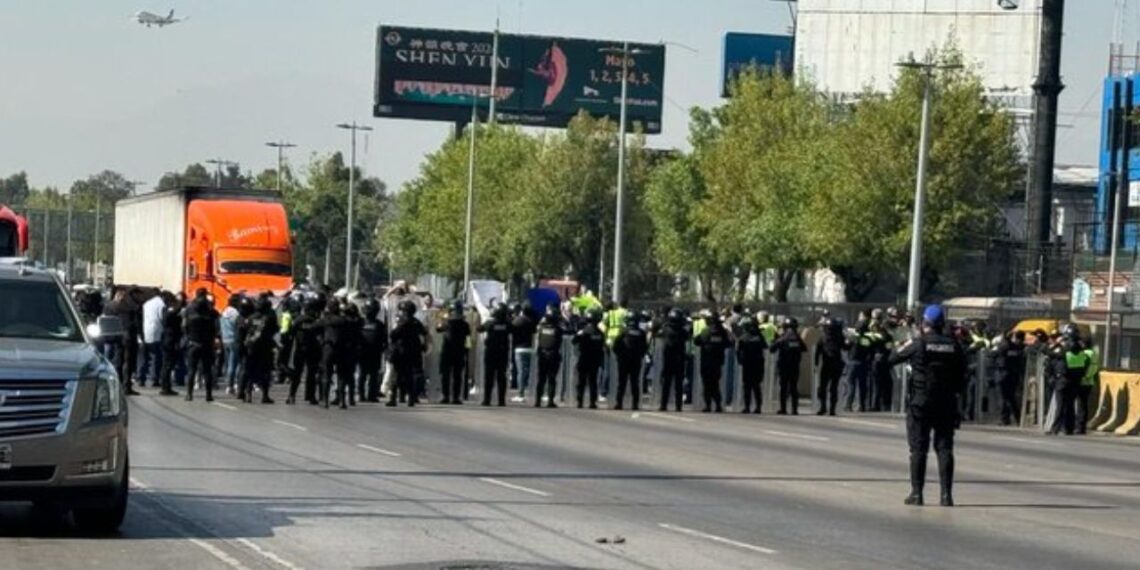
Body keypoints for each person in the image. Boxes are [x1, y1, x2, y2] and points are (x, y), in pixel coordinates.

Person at [889, 305, 967, 507]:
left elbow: (892, 358)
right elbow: (962, 376)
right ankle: (946, 495)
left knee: (918, 449)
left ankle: (917, 493)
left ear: (925, 324)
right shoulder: (955, 345)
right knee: (945, 448)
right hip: (947, 402)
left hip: (921, 402)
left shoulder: (919, 343)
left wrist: (903, 343)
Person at [1049, 325, 1088, 436]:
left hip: (1063, 380)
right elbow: (1082, 366)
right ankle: (1069, 428)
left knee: (1060, 405)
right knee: (1070, 405)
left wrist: (1056, 343)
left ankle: (1055, 428)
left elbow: (1049, 352)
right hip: (1075, 381)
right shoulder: (1081, 349)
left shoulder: (1064, 348)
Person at [388, 300, 428, 408]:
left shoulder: (403, 322)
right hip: (413, 352)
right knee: (410, 376)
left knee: (396, 375)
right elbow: (424, 332)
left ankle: (393, 398)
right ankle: (411, 398)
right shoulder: (416, 322)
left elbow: (393, 335)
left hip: (401, 352)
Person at [182, 289, 219, 402]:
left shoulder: (189, 309)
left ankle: (189, 394)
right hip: (207, 343)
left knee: (191, 370)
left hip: (193, 342)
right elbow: (216, 327)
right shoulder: (211, 310)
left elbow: (184, 326)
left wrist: (188, 336)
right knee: (207, 370)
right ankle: (208, 395)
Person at [240, 295, 278, 404]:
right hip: (265, 347)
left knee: (250, 371)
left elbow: (245, 329)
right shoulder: (270, 317)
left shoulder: (251, 317)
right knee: (266, 372)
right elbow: (275, 329)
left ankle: (248, 394)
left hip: (252, 347)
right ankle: (265, 395)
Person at [287, 298, 324, 405]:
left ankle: (292, 396)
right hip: (311, 349)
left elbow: (290, 334)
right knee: (310, 374)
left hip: (302, 349)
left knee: (298, 374)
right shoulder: (316, 321)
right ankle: (309, 396)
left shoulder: (299, 320)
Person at [693, 313, 731, 413]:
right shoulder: (722, 333)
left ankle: (708, 405)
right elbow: (728, 343)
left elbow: (696, 341)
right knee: (715, 384)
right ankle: (718, 404)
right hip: (717, 363)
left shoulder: (705, 332)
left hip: (706, 362)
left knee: (707, 385)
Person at [612, 312, 649, 411]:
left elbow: (615, 346)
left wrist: (619, 355)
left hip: (623, 360)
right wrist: (639, 355)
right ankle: (635, 404)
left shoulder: (623, 331)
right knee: (635, 383)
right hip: (635, 361)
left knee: (622, 382)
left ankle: (619, 403)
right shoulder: (641, 333)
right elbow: (645, 347)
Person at [478, 303, 513, 407]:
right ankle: (501, 401)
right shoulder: (507, 324)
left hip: (491, 353)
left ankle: (487, 400)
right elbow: (514, 329)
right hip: (503, 353)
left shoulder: (490, 323)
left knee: (489, 377)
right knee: (501, 377)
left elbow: (479, 328)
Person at [437, 300, 471, 405]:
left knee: (445, 375)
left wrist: (441, 319)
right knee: (457, 376)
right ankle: (456, 397)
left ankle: (446, 396)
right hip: (459, 352)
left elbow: (438, 329)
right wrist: (467, 351)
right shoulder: (465, 324)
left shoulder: (447, 322)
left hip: (447, 351)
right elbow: (468, 339)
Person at [770, 317, 806, 415]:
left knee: (784, 388)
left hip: (784, 366)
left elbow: (772, 348)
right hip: (794, 367)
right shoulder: (797, 338)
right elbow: (804, 348)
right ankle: (794, 410)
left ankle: (783, 409)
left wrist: (775, 339)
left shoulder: (784, 337)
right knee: (793, 387)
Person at [990, 330, 1027, 426]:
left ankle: (1004, 419)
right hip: (1013, 374)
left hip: (1002, 373)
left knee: (1002, 398)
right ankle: (1018, 418)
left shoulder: (1003, 346)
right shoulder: (1016, 347)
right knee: (1012, 398)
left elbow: (992, 355)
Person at [656, 308, 689, 412]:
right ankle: (678, 406)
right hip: (678, 360)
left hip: (669, 360)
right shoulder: (683, 331)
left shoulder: (666, 329)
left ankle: (664, 405)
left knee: (667, 384)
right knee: (677, 385)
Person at [573, 309, 606, 409]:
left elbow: (574, 341)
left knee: (581, 381)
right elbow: (602, 346)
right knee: (593, 382)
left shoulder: (584, 332)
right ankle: (592, 402)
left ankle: (580, 401)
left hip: (584, 358)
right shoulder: (600, 333)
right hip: (594, 360)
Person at [534, 303, 565, 408]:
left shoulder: (541, 328)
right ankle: (550, 401)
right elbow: (567, 330)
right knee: (551, 379)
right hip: (553, 356)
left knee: (541, 379)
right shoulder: (558, 329)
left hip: (542, 355)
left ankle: (537, 401)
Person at [735, 316, 767, 414]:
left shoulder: (744, 337)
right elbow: (765, 346)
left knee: (748, 387)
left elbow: (738, 350)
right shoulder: (759, 337)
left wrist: (740, 360)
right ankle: (757, 407)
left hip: (748, 364)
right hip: (757, 364)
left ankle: (747, 407)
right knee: (756, 386)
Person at [358, 297, 387, 403]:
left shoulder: (377, 324)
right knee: (367, 374)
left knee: (369, 375)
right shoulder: (362, 322)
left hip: (371, 352)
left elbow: (384, 339)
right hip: (369, 352)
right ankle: (366, 395)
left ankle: (368, 395)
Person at [815, 317, 846, 416]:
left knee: (825, 387)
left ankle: (825, 407)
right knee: (832, 387)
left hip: (828, 365)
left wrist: (816, 364)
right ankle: (830, 409)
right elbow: (846, 347)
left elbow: (817, 352)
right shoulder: (838, 337)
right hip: (834, 365)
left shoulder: (824, 337)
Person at [157, 292, 183, 397]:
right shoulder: (169, 310)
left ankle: (166, 386)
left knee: (168, 364)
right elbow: (168, 320)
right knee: (167, 364)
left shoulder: (167, 309)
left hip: (169, 338)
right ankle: (165, 387)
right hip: (170, 339)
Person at [510, 302, 538, 403]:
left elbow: (511, 330)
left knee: (520, 372)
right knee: (529, 371)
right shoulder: (532, 321)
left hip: (519, 348)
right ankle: (531, 392)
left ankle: (520, 394)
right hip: (530, 348)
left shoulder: (517, 321)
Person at [844, 320, 874, 413]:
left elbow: (846, 347)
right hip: (863, 363)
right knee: (862, 386)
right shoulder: (867, 339)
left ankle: (849, 405)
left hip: (853, 362)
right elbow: (870, 352)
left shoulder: (854, 338)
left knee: (851, 384)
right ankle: (862, 405)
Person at [140, 290, 165, 388]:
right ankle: (155, 379)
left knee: (144, 358)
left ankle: (141, 378)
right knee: (156, 357)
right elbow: (162, 318)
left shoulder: (146, 304)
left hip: (146, 331)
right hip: (157, 332)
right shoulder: (161, 304)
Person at [1076, 342, 1099, 435]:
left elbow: (1080, 367)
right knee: (1084, 405)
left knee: (1080, 405)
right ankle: (1082, 427)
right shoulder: (1093, 353)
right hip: (1089, 382)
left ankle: (1079, 426)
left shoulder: (1084, 354)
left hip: (1082, 381)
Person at [219, 295, 241, 395]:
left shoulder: (224, 312)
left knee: (228, 363)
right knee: (235, 364)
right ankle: (233, 384)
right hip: (234, 340)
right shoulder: (236, 313)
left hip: (225, 339)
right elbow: (239, 326)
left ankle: (229, 384)